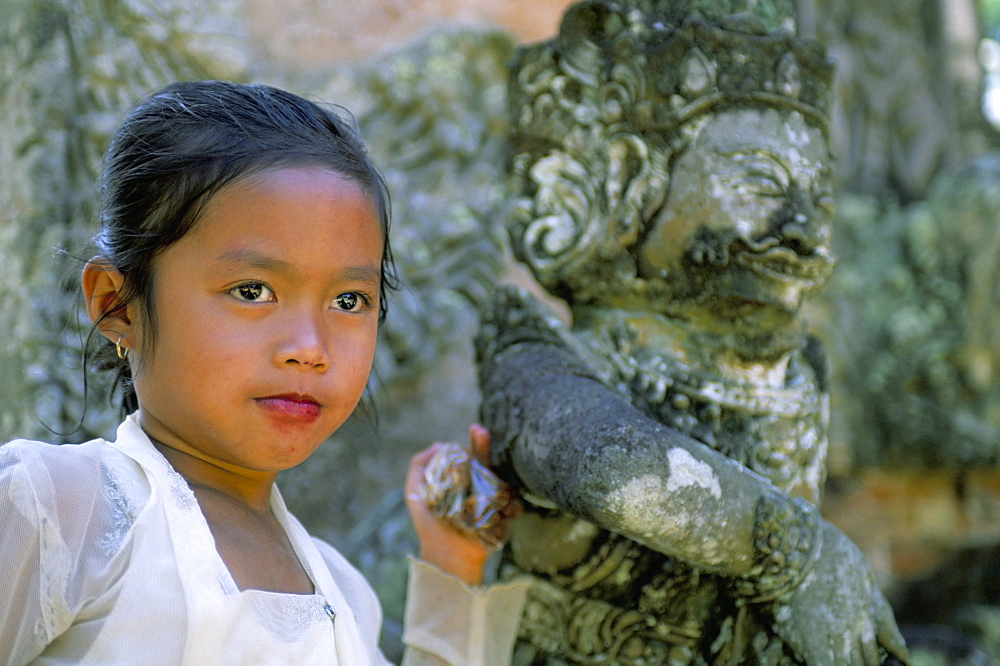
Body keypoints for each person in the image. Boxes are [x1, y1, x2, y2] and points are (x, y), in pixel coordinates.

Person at [0, 80, 525, 664]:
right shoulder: (58, 511)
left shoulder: (344, 593)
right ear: (118, 306)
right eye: (253, 291)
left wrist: (452, 563)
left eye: (349, 301)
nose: (310, 348)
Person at [475, 2, 909, 664]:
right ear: (629, 180)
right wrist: (801, 557)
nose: (801, 226)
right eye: (759, 182)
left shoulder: (802, 373)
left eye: (817, 198)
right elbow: (605, 463)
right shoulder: (537, 355)